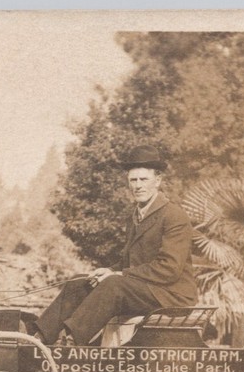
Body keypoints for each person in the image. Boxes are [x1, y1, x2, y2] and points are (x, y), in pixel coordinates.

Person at [33, 145, 197, 346]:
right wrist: (109, 270)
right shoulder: (135, 216)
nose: (138, 186)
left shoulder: (173, 216)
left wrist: (119, 275)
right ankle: (39, 339)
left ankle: (72, 342)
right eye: (133, 180)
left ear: (158, 181)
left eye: (144, 179)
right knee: (81, 281)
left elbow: (169, 269)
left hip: (171, 297)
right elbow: (130, 261)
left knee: (113, 285)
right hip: (143, 289)